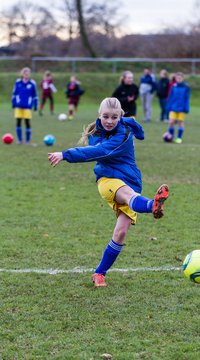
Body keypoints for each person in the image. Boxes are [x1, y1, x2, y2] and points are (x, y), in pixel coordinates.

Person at [48, 97, 169, 287]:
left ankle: (99, 274)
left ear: (120, 116)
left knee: (120, 234)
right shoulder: (97, 131)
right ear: (99, 115)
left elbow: (104, 149)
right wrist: (66, 155)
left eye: (114, 117)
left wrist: (65, 154)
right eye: (106, 116)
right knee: (129, 196)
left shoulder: (123, 135)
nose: (109, 121)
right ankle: (152, 205)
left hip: (130, 181)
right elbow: (95, 151)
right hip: (107, 180)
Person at [12, 67, 38, 144]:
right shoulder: (18, 82)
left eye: (28, 73)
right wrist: (13, 103)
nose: (26, 75)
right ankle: (19, 140)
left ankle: (27, 140)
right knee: (18, 122)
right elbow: (14, 93)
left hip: (27, 106)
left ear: (29, 74)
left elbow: (35, 96)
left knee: (27, 122)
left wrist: (35, 105)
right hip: (19, 106)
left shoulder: (32, 83)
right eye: (25, 73)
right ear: (22, 74)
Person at [166, 72, 190, 144]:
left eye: (180, 78)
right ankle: (171, 136)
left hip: (182, 109)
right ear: (175, 79)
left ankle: (179, 138)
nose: (178, 79)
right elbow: (171, 97)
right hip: (173, 108)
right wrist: (169, 106)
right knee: (171, 122)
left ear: (182, 78)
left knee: (180, 122)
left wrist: (186, 107)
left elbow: (187, 98)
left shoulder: (186, 87)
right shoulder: (174, 86)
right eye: (177, 78)